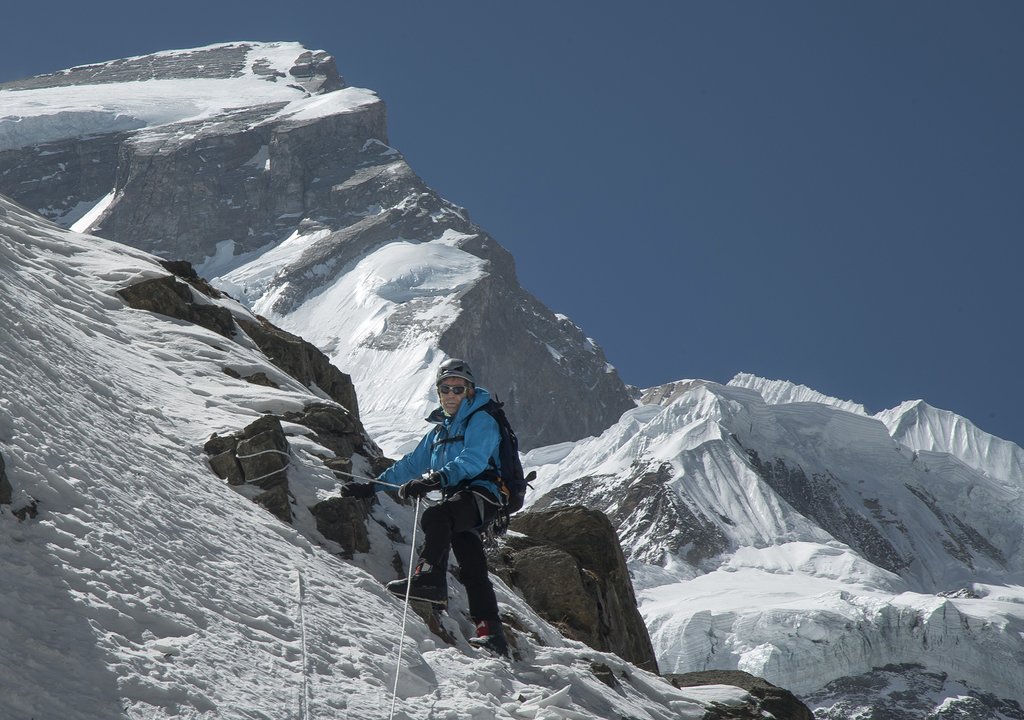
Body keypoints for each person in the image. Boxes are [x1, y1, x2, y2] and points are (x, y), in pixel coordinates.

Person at [340, 358, 510, 657]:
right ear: (438, 392)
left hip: (483, 492)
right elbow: (410, 465)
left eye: (458, 388)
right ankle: (492, 632)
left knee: (437, 515)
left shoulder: (482, 419)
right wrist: (373, 486)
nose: (451, 394)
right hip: (459, 497)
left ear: (470, 391)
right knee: (470, 560)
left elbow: (474, 459)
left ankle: (430, 579)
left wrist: (436, 479)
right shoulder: (438, 433)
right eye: (445, 388)